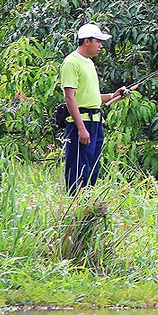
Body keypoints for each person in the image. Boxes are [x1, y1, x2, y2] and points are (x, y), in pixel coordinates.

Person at [60, 23, 129, 195]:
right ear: (87, 41)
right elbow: (70, 98)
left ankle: (87, 204)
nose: (100, 46)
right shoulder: (71, 62)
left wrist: (114, 95)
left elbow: (93, 97)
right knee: (78, 167)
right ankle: (74, 205)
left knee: (92, 166)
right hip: (81, 124)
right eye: (98, 42)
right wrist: (81, 129)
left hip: (95, 123)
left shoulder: (89, 63)